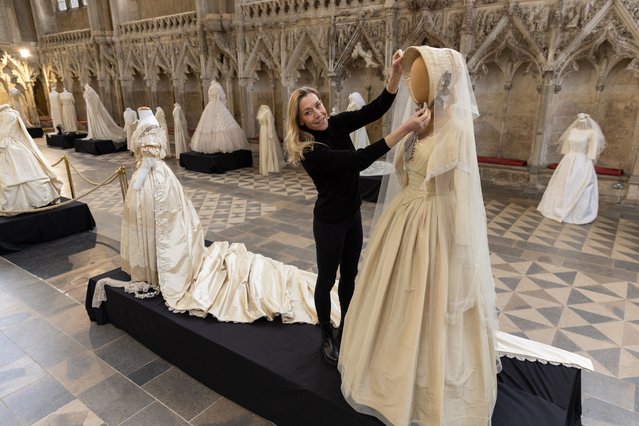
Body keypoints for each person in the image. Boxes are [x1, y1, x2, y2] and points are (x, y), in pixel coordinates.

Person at [338, 46, 499, 425]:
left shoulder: (456, 130)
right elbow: (402, 169)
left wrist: (461, 253)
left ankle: (427, 387)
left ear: (442, 80)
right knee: (392, 299)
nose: (415, 81)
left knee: (430, 300)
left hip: (435, 225)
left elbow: (461, 195)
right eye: (414, 74)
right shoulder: (416, 121)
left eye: (421, 73)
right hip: (403, 220)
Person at [102, 107, 341, 325]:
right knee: (151, 226)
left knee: (165, 226)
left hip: (152, 181)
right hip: (149, 184)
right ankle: (151, 265)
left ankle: (164, 267)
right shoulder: (147, 122)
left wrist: (137, 183)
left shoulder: (151, 125)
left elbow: (150, 160)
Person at [284, 49, 431, 366]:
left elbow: (375, 110)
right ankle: (326, 333)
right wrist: (405, 128)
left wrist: (393, 74)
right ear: (300, 121)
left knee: (350, 276)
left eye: (318, 106)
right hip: (330, 222)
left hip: (351, 215)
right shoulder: (311, 149)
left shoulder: (335, 124)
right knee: (327, 280)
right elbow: (358, 160)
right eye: (308, 113)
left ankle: (348, 326)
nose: (318, 114)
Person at [537, 113, 605, 224]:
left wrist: (588, 161)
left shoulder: (592, 133)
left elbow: (592, 152)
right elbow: (566, 148)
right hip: (568, 160)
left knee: (579, 185)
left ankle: (578, 212)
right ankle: (556, 208)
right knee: (562, 184)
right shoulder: (572, 131)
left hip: (582, 161)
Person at [0, 104, 62, 214]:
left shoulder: (7, 115)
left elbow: (4, 133)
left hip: (8, 146)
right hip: (14, 145)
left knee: (16, 174)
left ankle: (27, 202)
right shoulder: (11, 112)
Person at [190, 80, 250, 154]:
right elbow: (222, 98)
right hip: (217, 105)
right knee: (220, 126)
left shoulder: (211, 88)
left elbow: (210, 98)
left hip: (211, 106)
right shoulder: (217, 88)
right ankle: (220, 146)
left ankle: (214, 145)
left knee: (211, 126)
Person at [256, 104, 285, 176]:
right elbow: (260, 123)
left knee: (268, 149)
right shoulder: (260, 112)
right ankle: (263, 168)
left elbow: (270, 124)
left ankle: (270, 167)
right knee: (263, 149)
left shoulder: (267, 112)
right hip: (262, 131)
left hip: (266, 131)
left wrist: (270, 134)